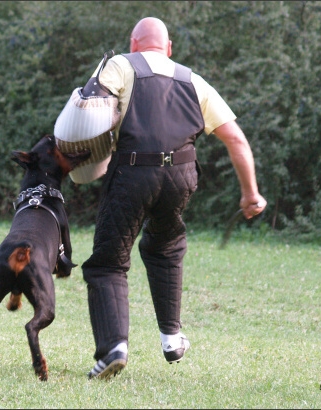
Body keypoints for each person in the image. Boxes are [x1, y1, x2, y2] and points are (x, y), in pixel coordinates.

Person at [82, 17, 267, 380]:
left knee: (108, 263)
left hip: (133, 173)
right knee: (165, 247)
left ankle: (114, 349)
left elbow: (89, 110)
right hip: (180, 177)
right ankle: (171, 337)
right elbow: (236, 139)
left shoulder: (120, 64)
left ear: (134, 44)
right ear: (168, 49)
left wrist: (82, 163)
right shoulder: (192, 80)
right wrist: (250, 193)